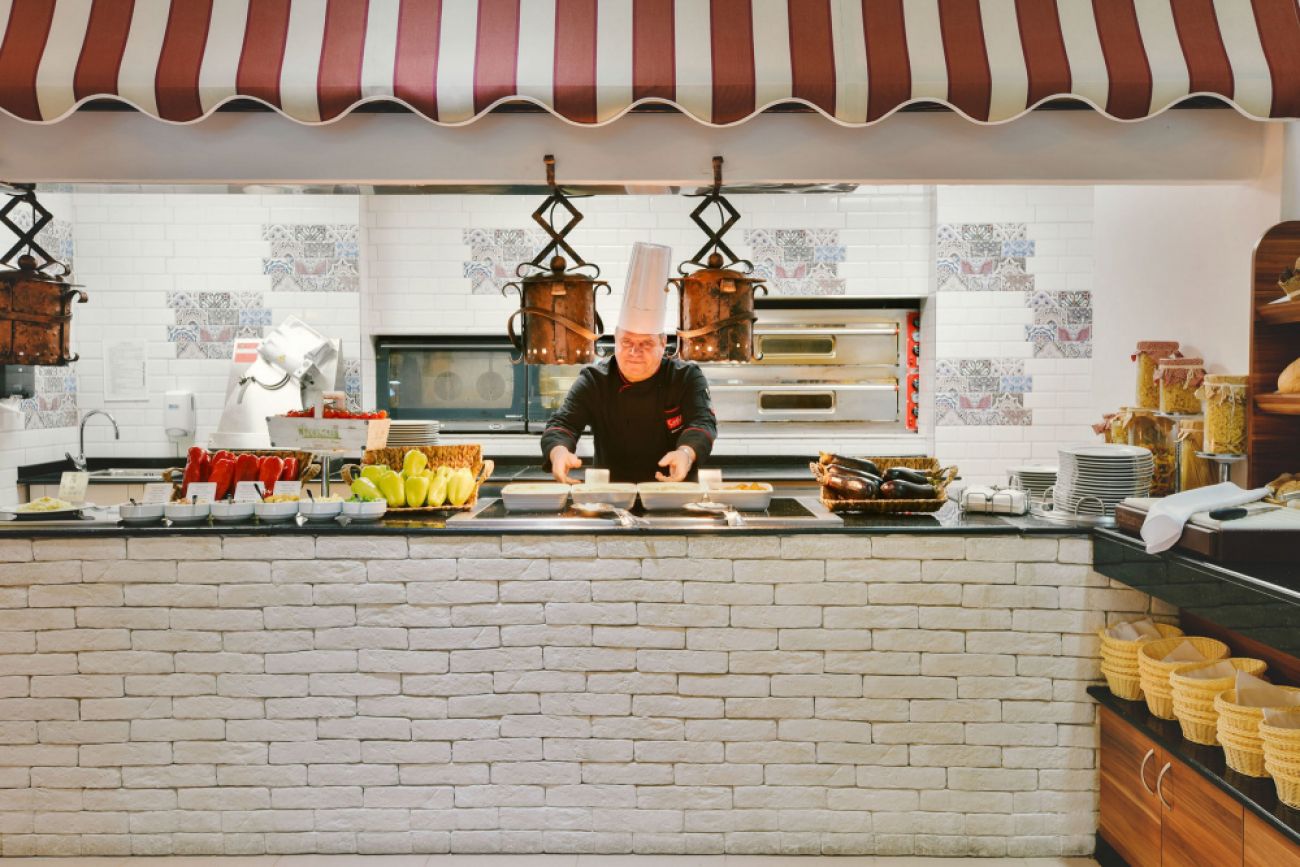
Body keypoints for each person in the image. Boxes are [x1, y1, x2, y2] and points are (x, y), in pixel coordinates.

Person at [541, 243, 717, 484]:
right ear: (616, 339)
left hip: (673, 494)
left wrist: (685, 453)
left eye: (646, 343)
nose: (635, 351)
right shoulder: (594, 380)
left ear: (662, 343)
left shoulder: (686, 377)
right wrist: (559, 452)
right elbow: (563, 424)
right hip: (611, 496)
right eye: (626, 342)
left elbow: (703, 423)